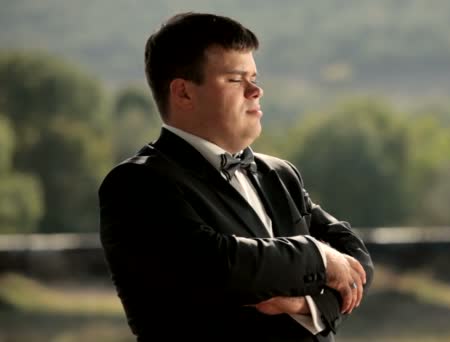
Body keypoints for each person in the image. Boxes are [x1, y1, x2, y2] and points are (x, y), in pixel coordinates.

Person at [98, 12, 373, 342]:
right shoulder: (135, 184)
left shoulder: (280, 175)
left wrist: (307, 304)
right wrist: (319, 257)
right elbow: (216, 265)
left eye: (254, 77)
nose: (256, 91)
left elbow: (354, 259)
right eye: (235, 79)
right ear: (183, 93)